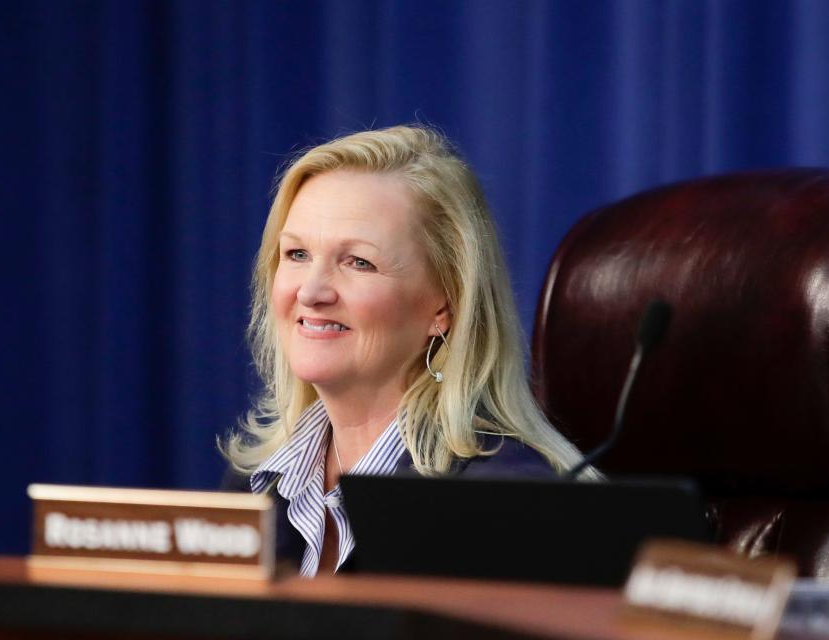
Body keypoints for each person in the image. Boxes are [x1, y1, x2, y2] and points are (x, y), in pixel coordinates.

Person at [224, 125, 597, 577]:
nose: (312, 291)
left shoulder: (503, 506)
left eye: (358, 261)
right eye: (297, 254)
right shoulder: (254, 487)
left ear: (444, 305)